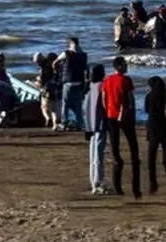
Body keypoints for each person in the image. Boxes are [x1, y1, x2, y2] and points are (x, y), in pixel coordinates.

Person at [102, 56, 141, 198]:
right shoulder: (126, 80)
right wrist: (132, 113)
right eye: (124, 64)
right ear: (120, 67)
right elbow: (130, 99)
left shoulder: (107, 80)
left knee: (115, 143)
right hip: (125, 116)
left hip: (111, 115)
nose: (126, 66)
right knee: (132, 141)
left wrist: (107, 111)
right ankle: (134, 160)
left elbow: (103, 98)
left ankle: (117, 161)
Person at [143, 76, 166, 195]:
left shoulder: (148, 96)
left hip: (153, 126)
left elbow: (147, 110)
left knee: (152, 155)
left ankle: (153, 183)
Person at [84, 64, 108, 195]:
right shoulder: (102, 87)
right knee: (98, 155)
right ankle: (98, 183)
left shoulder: (90, 88)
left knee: (93, 154)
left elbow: (86, 108)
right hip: (100, 125)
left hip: (90, 126)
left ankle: (93, 181)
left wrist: (86, 127)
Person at [55, 37, 89, 129]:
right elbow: (86, 69)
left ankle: (64, 123)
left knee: (65, 104)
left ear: (70, 43)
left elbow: (55, 62)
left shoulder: (66, 53)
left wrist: (57, 72)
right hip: (79, 82)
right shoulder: (83, 54)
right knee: (78, 105)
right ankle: (79, 124)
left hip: (68, 82)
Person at [34, 53, 62, 131]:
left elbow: (41, 81)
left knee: (44, 107)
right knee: (55, 109)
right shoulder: (57, 67)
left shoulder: (43, 68)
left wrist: (36, 83)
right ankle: (55, 124)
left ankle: (47, 118)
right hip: (57, 89)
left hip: (46, 90)